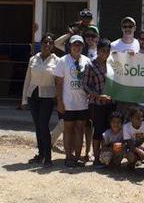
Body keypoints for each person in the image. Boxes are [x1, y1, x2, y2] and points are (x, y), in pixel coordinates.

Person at [54, 35, 92, 167]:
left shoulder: (87, 61)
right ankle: (68, 156)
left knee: (80, 130)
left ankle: (77, 157)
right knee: (68, 129)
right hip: (68, 102)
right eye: (74, 44)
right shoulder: (63, 61)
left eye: (79, 45)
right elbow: (58, 83)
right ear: (69, 46)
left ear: (83, 46)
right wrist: (59, 101)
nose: (77, 47)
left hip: (82, 103)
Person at [21, 33, 59, 167]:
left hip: (47, 97)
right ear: (41, 44)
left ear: (53, 46)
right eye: (45, 42)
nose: (47, 45)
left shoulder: (57, 61)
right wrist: (24, 100)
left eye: (50, 43)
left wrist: (59, 99)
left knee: (43, 125)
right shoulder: (33, 59)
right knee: (38, 126)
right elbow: (27, 79)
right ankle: (41, 154)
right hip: (33, 95)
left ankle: (48, 157)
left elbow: (59, 82)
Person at [84, 39, 114, 167]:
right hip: (97, 104)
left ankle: (105, 158)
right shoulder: (90, 65)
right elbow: (85, 86)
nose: (105, 54)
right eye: (102, 51)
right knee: (98, 131)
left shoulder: (112, 65)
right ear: (98, 50)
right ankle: (96, 158)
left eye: (107, 51)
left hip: (111, 103)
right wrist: (99, 96)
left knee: (109, 131)